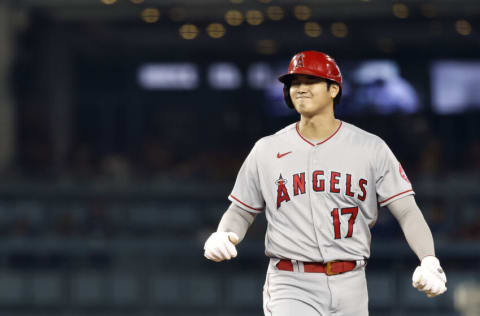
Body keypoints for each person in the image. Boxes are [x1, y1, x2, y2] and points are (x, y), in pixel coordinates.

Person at [203, 51, 447, 316]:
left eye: (311, 81)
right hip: (291, 281)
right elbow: (242, 210)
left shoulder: (370, 147)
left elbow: (407, 210)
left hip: (351, 280)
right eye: (295, 83)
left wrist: (429, 259)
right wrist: (224, 232)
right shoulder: (267, 149)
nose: (300, 89)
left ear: (333, 89)